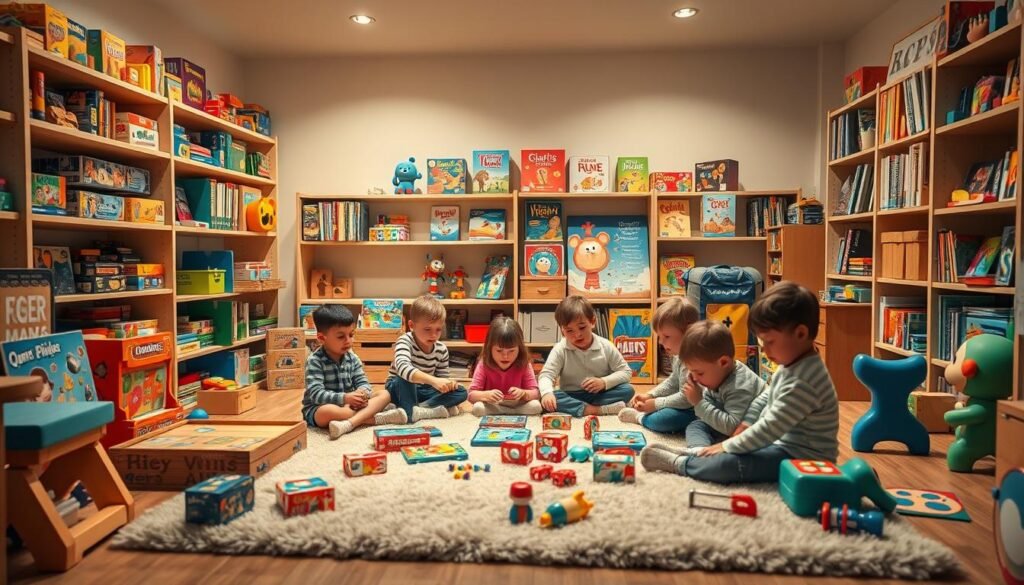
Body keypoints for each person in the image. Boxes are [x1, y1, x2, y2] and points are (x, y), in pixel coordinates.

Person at [640, 282, 838, 484]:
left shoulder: (803, 382)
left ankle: (681, 464)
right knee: (723, 444)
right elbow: (766, 396)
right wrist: (747, 422)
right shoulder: (792, 365)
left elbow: (770, 428)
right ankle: (696, 453)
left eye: (769, 342)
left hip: (802, 457)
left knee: (731, 465)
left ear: (801, 334)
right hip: (779, 443)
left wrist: (727, 446)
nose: (766, 352)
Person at [303, 305, 406, 439]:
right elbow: (316, 394)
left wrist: (362, 394)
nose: (348, 341)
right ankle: (375, 418)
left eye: (351, 335)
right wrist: (345, 398)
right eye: (341, 337)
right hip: (323, 408)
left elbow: (364, 383)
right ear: (322, 338)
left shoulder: (352, 357)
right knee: (326, 412)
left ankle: (350, 422)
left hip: (351, 405)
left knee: (385, 394)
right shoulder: (314, 361)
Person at [538, 295, 634, 417]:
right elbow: (546, 375)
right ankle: (598, 410)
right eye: (569, 331)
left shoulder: (605, 345)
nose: (577, 335)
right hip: (571, 394)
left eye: (582, 327)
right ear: (562, 330)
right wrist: (547, 393)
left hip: (599, 394)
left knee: (627, 390)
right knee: (551, 397)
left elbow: (626, 372)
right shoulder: (560, 349)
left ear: (592, 322)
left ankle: (581, 408)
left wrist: (604, 382)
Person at [676, 320, 764, 451]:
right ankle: (698, 450)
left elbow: (732, 427)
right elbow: (709, 407)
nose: (694, 378)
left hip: (750, 430)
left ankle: (700, 457)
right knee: (696, 426)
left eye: (699, 372)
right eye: (691, 371)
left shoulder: (740, 385)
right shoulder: (716, 376)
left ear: (723, 362)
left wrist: (698, 402)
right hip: (724, 424)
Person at [618, 296, 700, 433]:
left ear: (688, 331)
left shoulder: (695, 359)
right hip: (686, 406)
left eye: (666, 336)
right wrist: (651, 395)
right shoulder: (678, 353)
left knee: (663, 420)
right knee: (659, 410)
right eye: (659, 337)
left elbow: (687, 399)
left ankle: (640, 418)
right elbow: (673, 381)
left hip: (698, 410)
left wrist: (656, 404)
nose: (661, 342)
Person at [385, 295, 468, 421]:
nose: (434, 335)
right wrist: (434, 381)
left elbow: (442, 380)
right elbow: (403, 368)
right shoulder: (404, 340)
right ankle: (416, 411)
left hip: (425, 389)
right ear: (412, 325)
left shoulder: (441, 349)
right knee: (404, 378)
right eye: (427, 329)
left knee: (461, 391)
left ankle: (419, 410)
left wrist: (448, 384)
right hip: (400, 387)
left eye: (438, 329)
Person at [468, 316, 543, 416]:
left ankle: (509, 412)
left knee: (536, 406)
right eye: (499, 350)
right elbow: (471, 395)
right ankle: (511, 413)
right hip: (493, 405)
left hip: (517, 405)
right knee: (478, 407)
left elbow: (536, 393)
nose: (505, 356)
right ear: (489, 348)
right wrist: (486, 395)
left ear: (519, 349)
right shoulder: (484, 363)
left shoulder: (524, 364)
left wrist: (524, 393)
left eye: (511, 351)